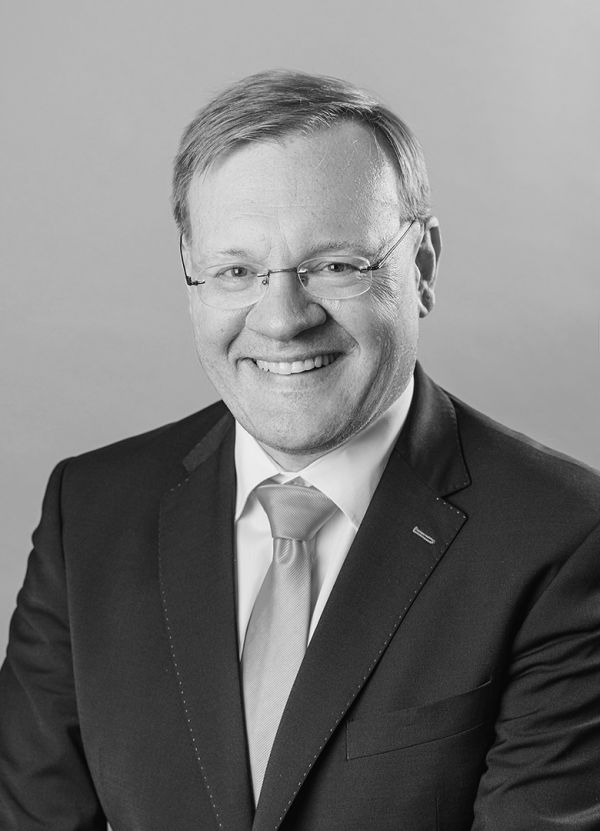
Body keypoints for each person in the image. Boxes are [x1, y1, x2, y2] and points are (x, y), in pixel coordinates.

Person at [1, 70, 599, 831]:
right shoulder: (89, 511)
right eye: (237, 271)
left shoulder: (564, 537)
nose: (282, 319)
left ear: (421, 267)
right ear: (191, 274)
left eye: (336, 265)